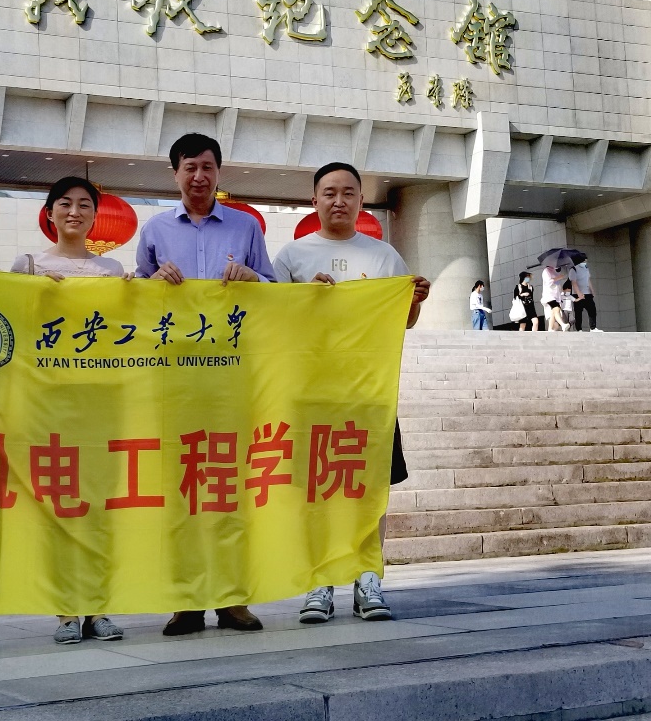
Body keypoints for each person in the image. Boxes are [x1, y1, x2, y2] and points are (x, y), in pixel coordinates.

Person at [273, 161, 431, 624]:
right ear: (314, 200)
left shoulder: (384, 256)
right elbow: (274, 324)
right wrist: (302, 298)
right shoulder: (292, 256)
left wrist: (415, 301)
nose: (338, 201)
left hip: (369, 392)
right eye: (329, 193)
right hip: (312, 392)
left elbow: (403, 322)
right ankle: (318, 582)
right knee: (315, 490)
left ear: (362, 201)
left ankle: (368, 580)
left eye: (348, 193)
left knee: (370, 490)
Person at [135, 132, 276, 637]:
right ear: (175, 173)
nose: (199, 176)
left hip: (231, 378)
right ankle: (186, 601)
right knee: (180, 490)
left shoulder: (246, 226)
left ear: (219, 172)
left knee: (230, 487)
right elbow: (132, 302)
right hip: (173, 379)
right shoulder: (154, 229)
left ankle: (234, 599)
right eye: (190, 166)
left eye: (208, 166)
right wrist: (151, 285)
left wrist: (253, 279)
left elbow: (276, 292)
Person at [13, 176, 127, 645]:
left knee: (101, 506)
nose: (74, 212)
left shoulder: (113, 269)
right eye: (65, 203)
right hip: (50, 402)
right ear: (50, 212)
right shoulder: (27, 265)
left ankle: (99, 606)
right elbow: (14, 324)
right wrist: (33, 292)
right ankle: (65, 610)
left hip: (102, 400)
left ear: (96, 215)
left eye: (84, 205)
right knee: (59, 502)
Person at [572, 259, 600, 331]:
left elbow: (588, 280)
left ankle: (593, 328)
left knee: (592, 310)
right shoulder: (574, 269)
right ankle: (579, 329)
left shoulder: (586, 268)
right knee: (578, 312)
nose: (585, 262)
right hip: (578, 294)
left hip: (587, 293)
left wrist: (592, 290)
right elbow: (574, 282)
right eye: (584, 261)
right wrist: (578, 293)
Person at [541, 265, 570, 331]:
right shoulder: (546, 271)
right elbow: (548, 282)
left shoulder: (554, 271)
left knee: (553, 312)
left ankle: (550, 328)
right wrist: (558, 278)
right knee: (556, 308)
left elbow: (557, 285)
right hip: (549, 295)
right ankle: (563, 325)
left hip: (555, 295)